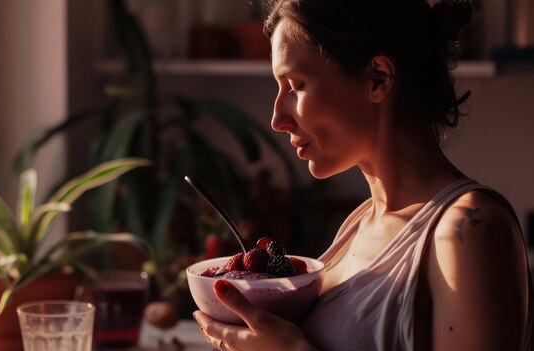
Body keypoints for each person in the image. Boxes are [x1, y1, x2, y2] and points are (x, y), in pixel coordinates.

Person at [192, 0, 533, 350]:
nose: (277, 119)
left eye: (296, 85)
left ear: (378, 79)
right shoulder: (358, 225)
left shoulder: (468, 231)